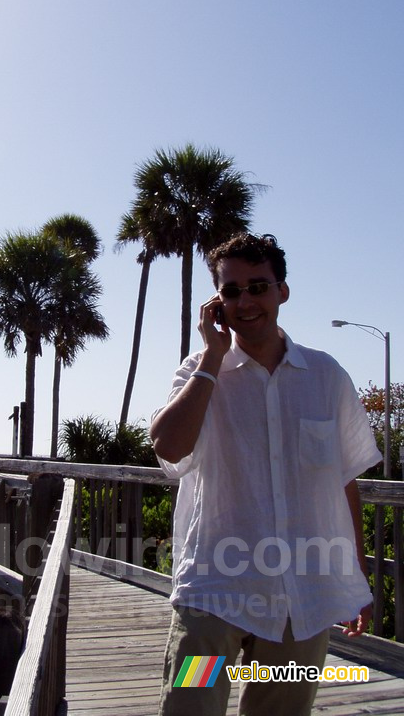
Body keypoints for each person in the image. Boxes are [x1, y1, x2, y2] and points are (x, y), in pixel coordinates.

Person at [151, 233, 382, 716]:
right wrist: (212, 357)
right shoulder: (198, 372)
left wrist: (356, 577)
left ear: (282, 291)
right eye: (231, 291)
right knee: (191, 709)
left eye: (258, 286)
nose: (246, 300)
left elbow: (345, 482)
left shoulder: (325, 376)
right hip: (215, 595)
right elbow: (168, 446)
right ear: (217, 302)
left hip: (302, 598)